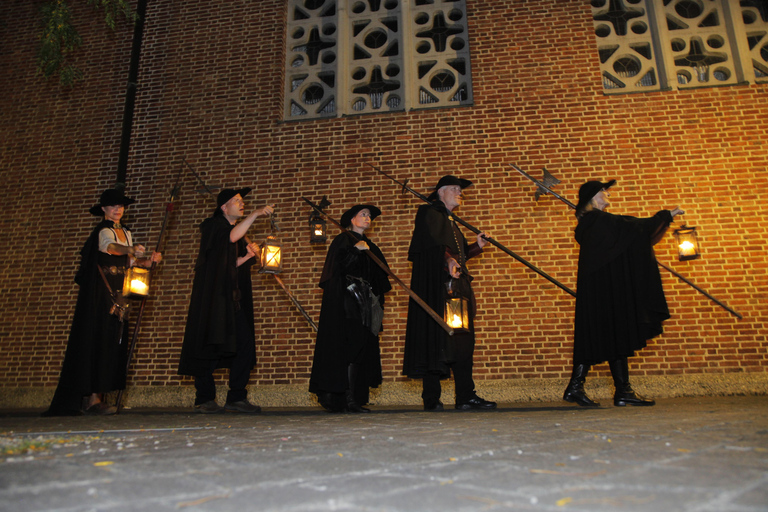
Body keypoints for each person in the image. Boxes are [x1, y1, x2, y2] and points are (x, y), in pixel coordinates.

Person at [563, 180, 684, 407]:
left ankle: (618, 390)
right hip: (602, 290)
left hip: (603, 290)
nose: (607, 193)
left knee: (614, 334)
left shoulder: (596, 222)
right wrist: (665, 215)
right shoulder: (597, 221)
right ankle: (582, 387)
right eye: (603, 190)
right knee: (604, 334)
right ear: (592, 197)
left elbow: (626, 234)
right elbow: (634, 228)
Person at [43, 188, 162, 416]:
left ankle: (101, 395)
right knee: (97, 339)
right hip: (100, 294)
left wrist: (149, 261)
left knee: (112, 342)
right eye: (113, 206)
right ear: (104, 209)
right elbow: (111, 248)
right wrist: (129, 249)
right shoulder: (103, 231)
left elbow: (130, 262)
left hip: (120, 292)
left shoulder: (126, 231)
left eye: (121, 206)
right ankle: (92, 399)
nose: (118, 209)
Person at [403, 175, 497, 411]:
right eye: (455, 188)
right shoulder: (428, 214)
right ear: (441, 192)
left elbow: (460, 254)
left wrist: (477, 247)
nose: (460, 192)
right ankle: (431, 397)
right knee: (435, 338)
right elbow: (433, 248)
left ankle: (465, 395)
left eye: (460, 189)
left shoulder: (451, 221)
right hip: (438, 290)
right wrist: (449, 262)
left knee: (463, 340)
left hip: (457, 289)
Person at [178, 188, 274, 413]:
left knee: (245, 345)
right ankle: (204, 398)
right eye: (237, 201)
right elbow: (229, 239)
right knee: (210, 344)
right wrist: (255, 214)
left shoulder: (236, 232)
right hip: (213, 300)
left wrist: (249, 256)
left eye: (243, 202)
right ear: (223, 207)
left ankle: (236, 397)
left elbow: (231, 265)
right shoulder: (213, 226)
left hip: (233, 300)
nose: (242, 205)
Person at [309, 205, 392, 413]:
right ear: (352, 219)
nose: (368, 218)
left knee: (362, 347)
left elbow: (380, 276)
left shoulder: (370, 245)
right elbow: (337, 269)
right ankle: (344, 397)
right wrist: (356, 251)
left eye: (369, 216)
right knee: (350, 345)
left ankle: (354, 396)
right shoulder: (343, 240)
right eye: (363, 214)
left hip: (366, 303)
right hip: (348, 303)